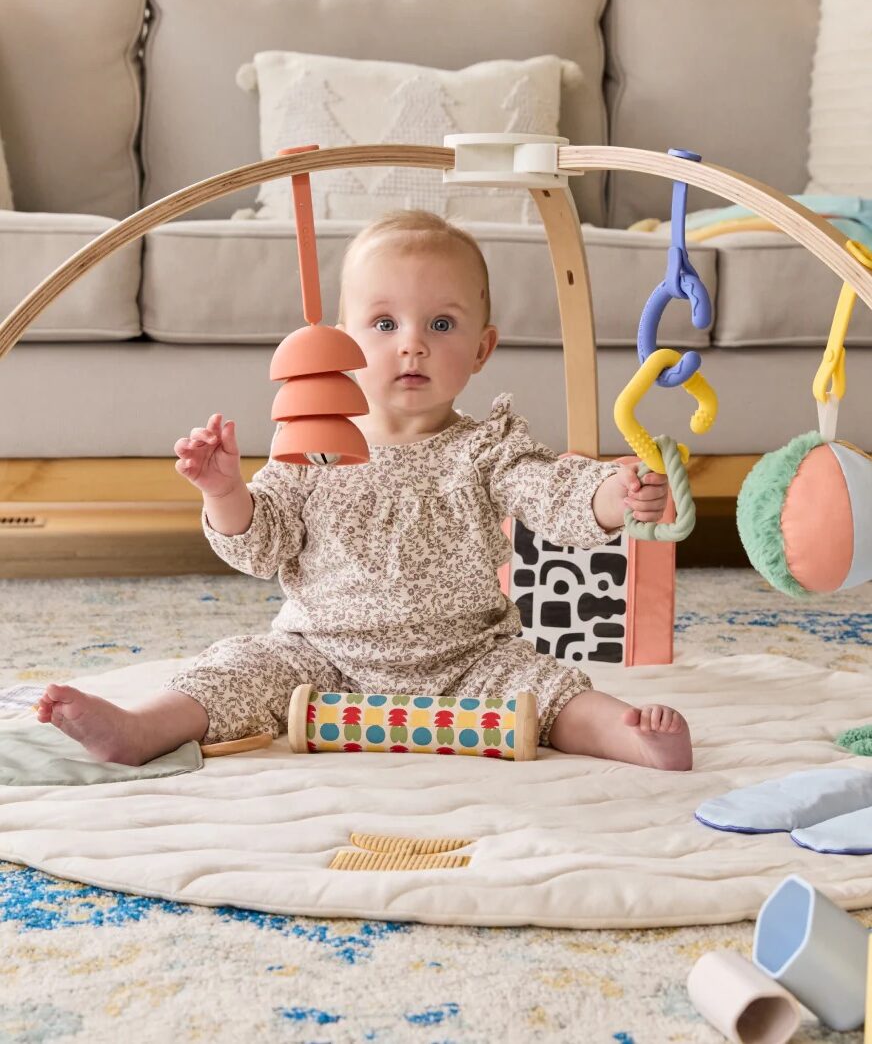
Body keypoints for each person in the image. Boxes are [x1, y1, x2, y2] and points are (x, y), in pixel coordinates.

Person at [36, 210, 692, 771]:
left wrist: (613, 491)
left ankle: (624, 734)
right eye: (384, 324)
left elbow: (553, 488)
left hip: (467, 659)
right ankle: (141, 728)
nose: (412, 345)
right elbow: (261, 545)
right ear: (342, 344)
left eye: (441, 325)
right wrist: (223, 489)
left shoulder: (487, 447)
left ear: (482, 349)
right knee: (236, 670)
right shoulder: (312, 444)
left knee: (545, 691)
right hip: (320, 654)